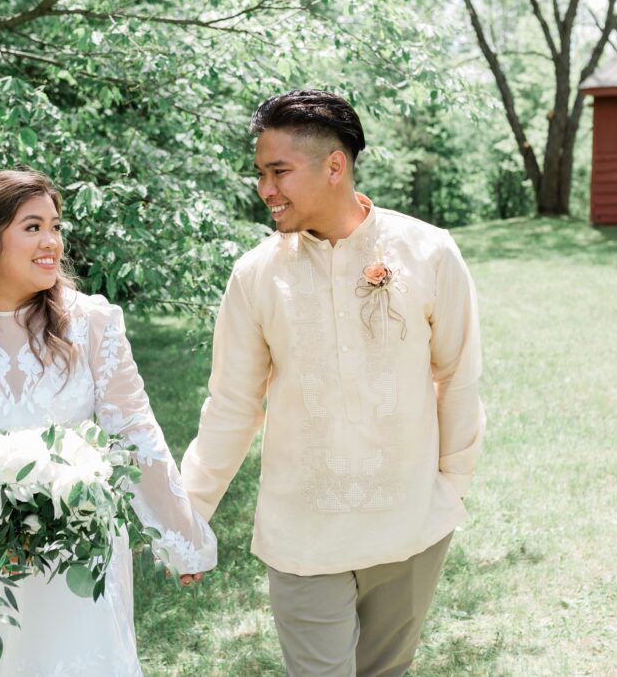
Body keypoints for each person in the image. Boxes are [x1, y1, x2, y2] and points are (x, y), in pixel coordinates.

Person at [180, 90, 485, 676]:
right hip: (303, 536)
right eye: (260, 174)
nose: (265, 189)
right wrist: (190, 511)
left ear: (335, 166)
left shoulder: (428, 252)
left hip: (411, 526)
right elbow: (233, 406)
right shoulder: (256, 275)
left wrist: (451, 487)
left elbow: (458, 376)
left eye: (278, 172)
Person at [0, 169, 215, 676]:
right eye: (32, 227)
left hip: (76, 559)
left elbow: (135, 433)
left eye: (55, 226)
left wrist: (180, 536)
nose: (52, 241)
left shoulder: (93, 324)